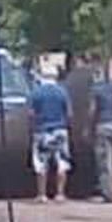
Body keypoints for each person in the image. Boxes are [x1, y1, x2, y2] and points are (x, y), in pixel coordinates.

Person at [28, 65, 73, 202]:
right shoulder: (62, 92)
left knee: (41, 163)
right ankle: (60, 194)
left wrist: (32, 127)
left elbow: (30, 113)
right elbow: (69, 113)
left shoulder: (36, 93)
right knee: (62, 162)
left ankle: (42, 194)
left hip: (42, 130)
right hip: (60, 129)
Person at [89, 61, 112, 202]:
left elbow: (92, 111)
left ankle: (108, 194)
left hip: (103, 126)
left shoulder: (96, 89)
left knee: (104, 162)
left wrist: (88, 127)